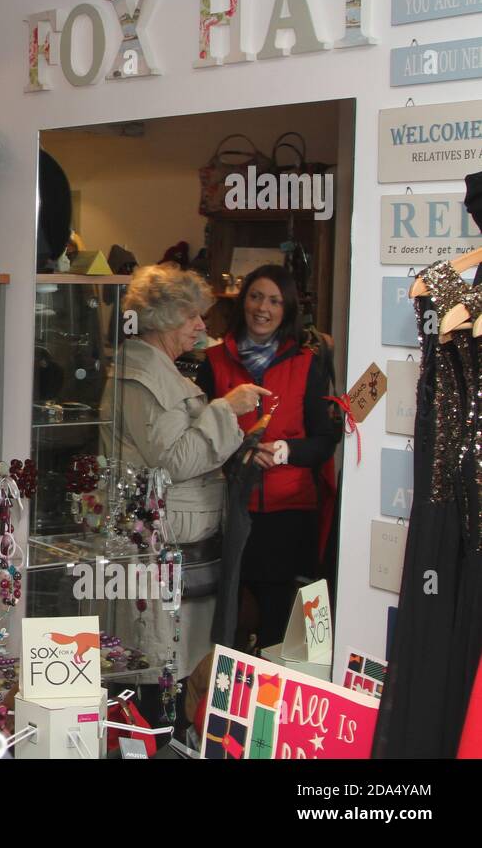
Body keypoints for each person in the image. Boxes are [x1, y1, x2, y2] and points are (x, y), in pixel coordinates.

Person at [103, 265, 267, 714]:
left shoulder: (159, 373)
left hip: (175, 549)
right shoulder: (144, 379)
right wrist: (225, 411)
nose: (202, 325)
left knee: (174, 670)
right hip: (159, 551)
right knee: (157, 678)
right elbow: (173, 461)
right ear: (164, 318)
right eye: (193, 316)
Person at [197, 264, 339, 649]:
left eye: (274, 300)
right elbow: (198, 437)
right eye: (256, 296)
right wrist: (237, 455)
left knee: (278, 630)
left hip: (287, 516)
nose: (263, 308)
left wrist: (285, 451)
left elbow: (325, 440)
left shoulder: (307, 363)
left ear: (287, 309)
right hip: (226, 511)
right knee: (225, 626)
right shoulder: (213, 361)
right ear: (243, 301)